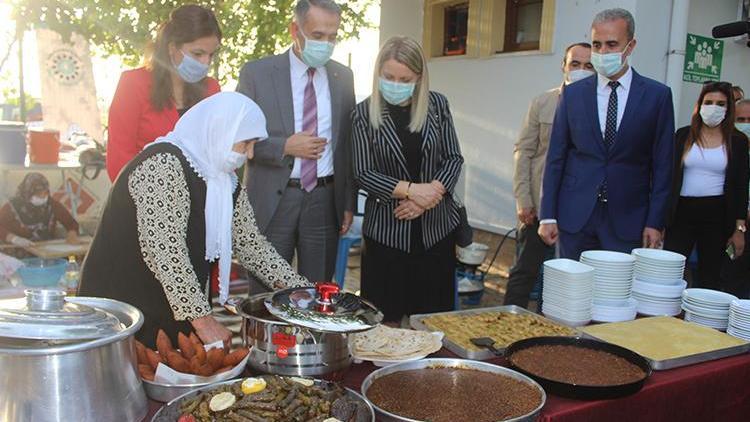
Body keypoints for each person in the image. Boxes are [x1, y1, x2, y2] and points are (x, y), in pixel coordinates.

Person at [79, 93, 310, 348]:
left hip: (175, 308)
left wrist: (302, 292)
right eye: (245, 143)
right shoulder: (163, 164)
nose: (251, 154)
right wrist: (204, 322)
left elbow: (251, 244)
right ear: (220, 130)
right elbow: (166, 251)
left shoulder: (225, 182)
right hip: (123, 307)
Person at [538, 8, 675, 259]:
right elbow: (556, 157)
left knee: (615, 295)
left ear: (630, 46)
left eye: (612, 44)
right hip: (575, 217)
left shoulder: (657, 97)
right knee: (571, 293)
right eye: (597, 44)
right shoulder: (573, 95)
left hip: (628, 220)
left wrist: (655, 221)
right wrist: (547, 214)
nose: (602, 53)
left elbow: (664, 166)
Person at [236, 0, 356, 283]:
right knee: (267, 293)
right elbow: (237, 140)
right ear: (295, 29)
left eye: (332, 37)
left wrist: (348, 202)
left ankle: (311, 331)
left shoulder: (343, 77)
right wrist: (285, 146)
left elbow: (348, 145)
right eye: (317, 36)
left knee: (317, 293)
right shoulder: (257, 74)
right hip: (273, 200)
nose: (325, 44)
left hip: (324, 200)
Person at [352, 36, 464, 322]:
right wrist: (413, 192)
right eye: (388, 77)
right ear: (378, 73)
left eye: (405, 79)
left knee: (433, 323)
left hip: (435, 234)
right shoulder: (363, 113)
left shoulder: (438, 105)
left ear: (419, 77)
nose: (395, 84)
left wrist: (429, 198)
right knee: (383, 324)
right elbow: (363, 173)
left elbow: (453, 159)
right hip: (386, 238)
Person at [505, 42, 593, 309]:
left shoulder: (600, 108)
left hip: (579, 208)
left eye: (588, 65)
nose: (580, 70)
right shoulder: (543, 102)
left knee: (562, 279)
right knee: (525, 271)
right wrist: (523, 200)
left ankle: (549, 334)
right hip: (540, 204)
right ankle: (506, 325)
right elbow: (524, 151)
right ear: (563, 66)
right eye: (575, 64)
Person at [106, 5, 222, 181]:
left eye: (211, 55)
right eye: (198, 53)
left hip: (201, 202)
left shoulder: (211, 89)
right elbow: (119, 161)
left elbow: (220, 155)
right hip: (143, 199)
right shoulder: (133, 84)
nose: (205, 62)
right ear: (172, 48)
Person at [664, 82, 748, 290]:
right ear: (699, 105)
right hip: (681, 212)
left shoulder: (737, 141)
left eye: (721, 104)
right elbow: (669, 177)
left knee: (709, 275)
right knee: (670, 269)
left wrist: (739, 230)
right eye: (708, 102)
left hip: (716, 215)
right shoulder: (683, 136)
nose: (714, 108)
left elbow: (740, 188)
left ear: (728, 108)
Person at [0, 173, 79, 247]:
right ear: (28, 193)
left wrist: (72, 233)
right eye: (38, 194)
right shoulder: (12, 207)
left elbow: (71, 222)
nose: (43, 197)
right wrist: (14, 239)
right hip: (17, 250)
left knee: (72, 259)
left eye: (45, 193)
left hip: (45, 249)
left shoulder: (52, 204)